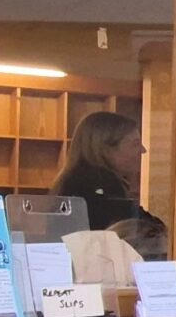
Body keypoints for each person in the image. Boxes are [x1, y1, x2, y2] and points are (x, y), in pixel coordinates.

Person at [52, 109, 168, 258]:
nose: (143, 150)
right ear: (106, 149)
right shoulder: (102, 188)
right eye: (135, 143)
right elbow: (142, 231)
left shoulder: (71, 183)